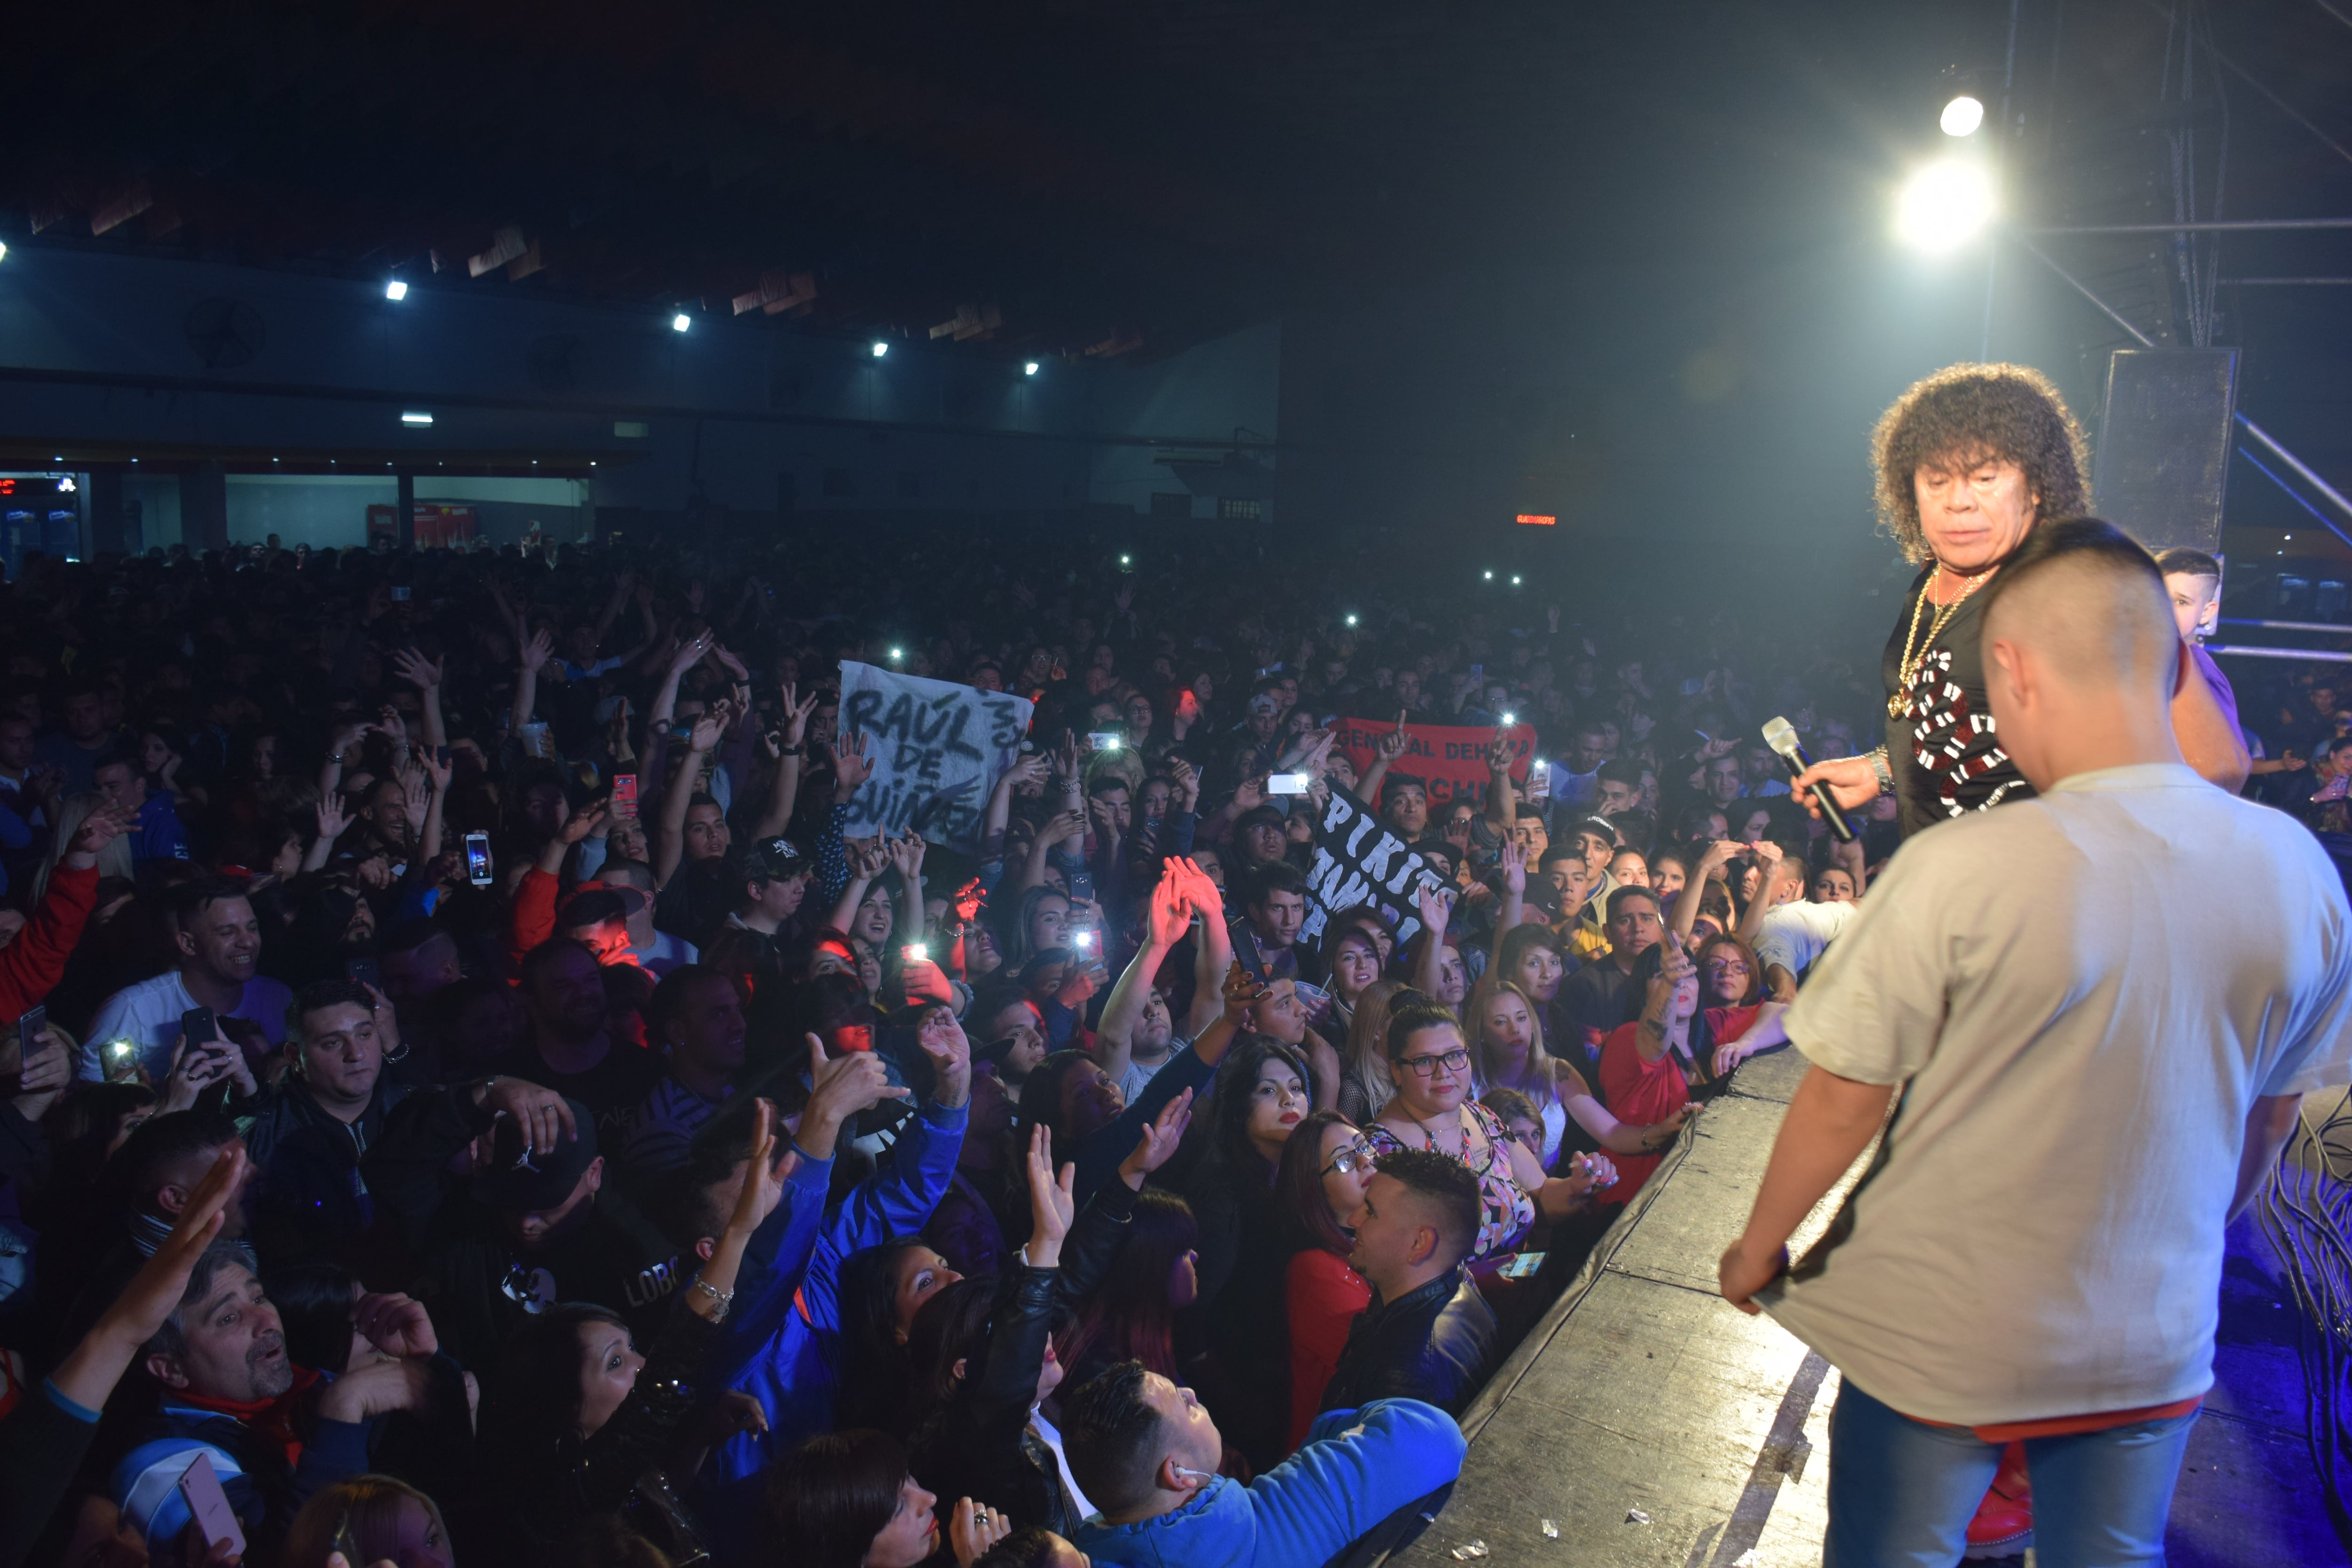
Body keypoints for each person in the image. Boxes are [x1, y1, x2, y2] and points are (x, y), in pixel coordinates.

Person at [1719, 519, 2352, 1564]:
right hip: (2149, 1333)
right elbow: (2272, 1113)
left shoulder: (1962, 864)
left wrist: (1759, 1247)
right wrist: (2195, 1226)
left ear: (2009, 671)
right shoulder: (2298, 871)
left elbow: (1842, 1095)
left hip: (1944, 1327)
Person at [1788, 363, 2249, 836]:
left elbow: (2216, 767)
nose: (1957, 501)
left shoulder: (2071, 585)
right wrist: (1882, 771)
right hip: (1940, 884)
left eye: (1984, 477)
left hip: (2030, 899)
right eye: (1936, 481)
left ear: (2035, 487)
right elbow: (1967, 720)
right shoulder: (1933, 578)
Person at [474, 1099, 791, 1562]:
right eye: (616, 1362)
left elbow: (646, 1498)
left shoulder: (601, 1480)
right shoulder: (568, 1497)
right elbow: (675, 1360)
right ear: (567, 1419)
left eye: (630, 1349)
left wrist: (701, 1435)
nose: (645, 1366)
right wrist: (738, 1231)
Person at [1062, 1360, 1467, 1568]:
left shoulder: (1083, 1553)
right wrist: (1326, 1430)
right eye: (1183, 1404)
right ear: (1178, 1473)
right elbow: (1434, 1435)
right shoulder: (1279, 1522)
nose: (1190, 1392)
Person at [1364, 999, 1614, 1262]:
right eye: (1425, 1061)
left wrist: (1578, 1187)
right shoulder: (1379, 1152)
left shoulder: (1483, 1117)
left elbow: (1543, 1194)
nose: (1444, 1072)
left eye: (1454, 1055)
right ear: (1396, 1070)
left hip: (1523, 1287)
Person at [1318, 1148, 1495, 1417]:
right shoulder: (1461, 1289)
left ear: (1419, 1243)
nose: (1354, 1219)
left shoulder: (1405, 1378)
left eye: (1371, 1212)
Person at [78, 879, 294, 1082]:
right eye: (228, 932)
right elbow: (101, 1101)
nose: (247, 941)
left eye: (252, 928)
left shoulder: (279, 998)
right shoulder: (129, 1011)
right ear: (188, 944)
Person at [1275, 1111, 1373, 1452]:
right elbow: (1378, 1361)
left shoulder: (1376, 1237)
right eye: (1344, 1160)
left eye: (1364, 1146)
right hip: (1329, 1459)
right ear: (1314, 1189)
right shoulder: (1314, 1269)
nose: (1364, 1160)